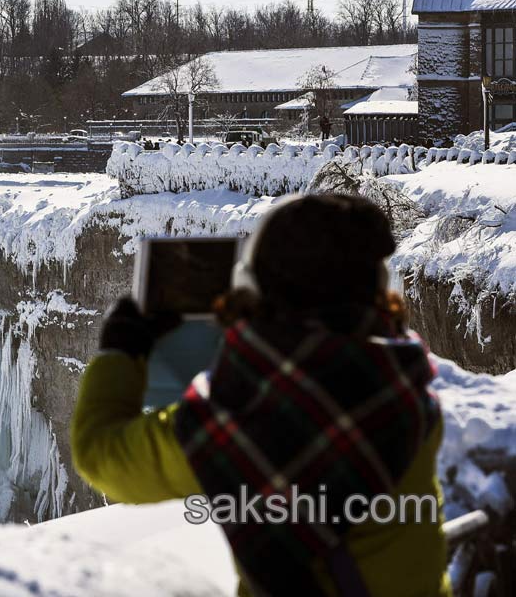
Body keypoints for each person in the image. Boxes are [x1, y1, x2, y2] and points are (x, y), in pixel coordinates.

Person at [71, 193, 449, 596]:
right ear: (377, 289)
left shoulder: (237, 423)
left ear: (255, 290)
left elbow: (99, 454)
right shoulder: (403, 384)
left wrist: (120, 353)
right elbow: (322, 375)